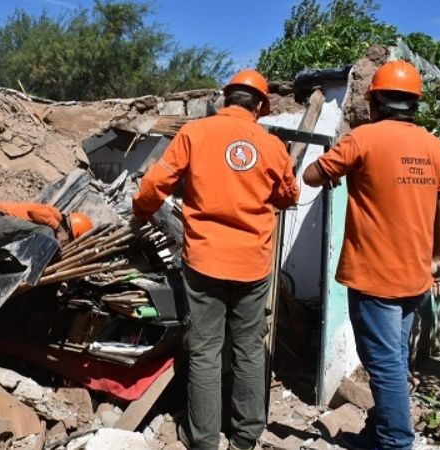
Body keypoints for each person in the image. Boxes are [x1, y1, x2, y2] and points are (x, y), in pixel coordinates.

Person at [133, 69, 299, 450]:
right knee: (248, 350)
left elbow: (154, 185)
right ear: (259, 106)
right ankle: (246, 435)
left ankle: (203, 439)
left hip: (205, 260)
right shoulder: (271, 144)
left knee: (205, 351)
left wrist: (141, 211)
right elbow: (290, 195)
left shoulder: (195, 133)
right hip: (253, 266)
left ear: (226, 98)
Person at [303, 60, 440, 450]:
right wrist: (439, 257)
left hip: (375, 279)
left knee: (384, 366)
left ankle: (396, 442)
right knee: (392, 360)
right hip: (416, 277)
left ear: (373, 102)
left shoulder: (363, 139)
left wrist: (341, 169)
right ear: (414, 105)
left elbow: (311, 176)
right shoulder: (434, 147)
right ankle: (378, 432)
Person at [0, 202, 93, 254]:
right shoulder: (55, 215)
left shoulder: (36, 229)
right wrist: (60, 230)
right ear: (70, 232)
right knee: (46, 232)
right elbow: (33, 211)